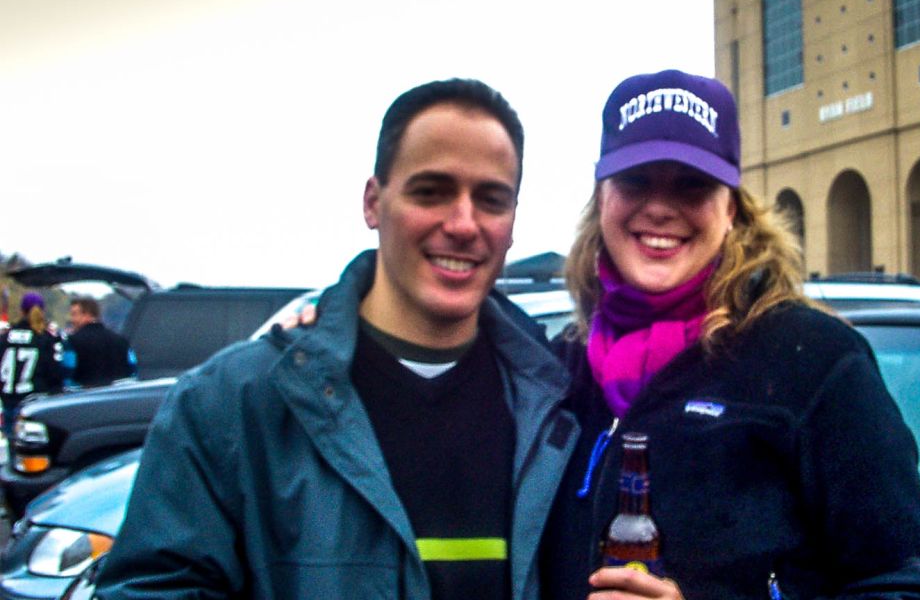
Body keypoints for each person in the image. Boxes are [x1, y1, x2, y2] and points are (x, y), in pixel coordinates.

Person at [95, 78, 579, 599]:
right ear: (373, 203)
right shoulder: (231, 407)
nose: (463, 224)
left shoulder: (562, 406)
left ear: (512, 223)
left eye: (490, 199)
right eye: (431, 192)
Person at [540, 70, 920, 599]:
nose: (661, 207)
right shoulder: (556, 373)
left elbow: (911, 589)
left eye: (692, 184)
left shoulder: (816, 363)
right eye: (636, 180)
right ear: (602, 198)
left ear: (732, 206)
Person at [0, 292, 64, 436]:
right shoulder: (45, 339)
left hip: (8, 400)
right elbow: (55, 374)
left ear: (21, 311)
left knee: (13, 448)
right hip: (35, 402)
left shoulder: (5, 338)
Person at [64, 296, 136, 387]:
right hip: (117, 396)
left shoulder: (72, 342)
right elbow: (133, 371)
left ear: (87, 314)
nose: (72, 319)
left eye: (74, 314)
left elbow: (67, 377)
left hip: (84, 397)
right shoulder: (121, 341)